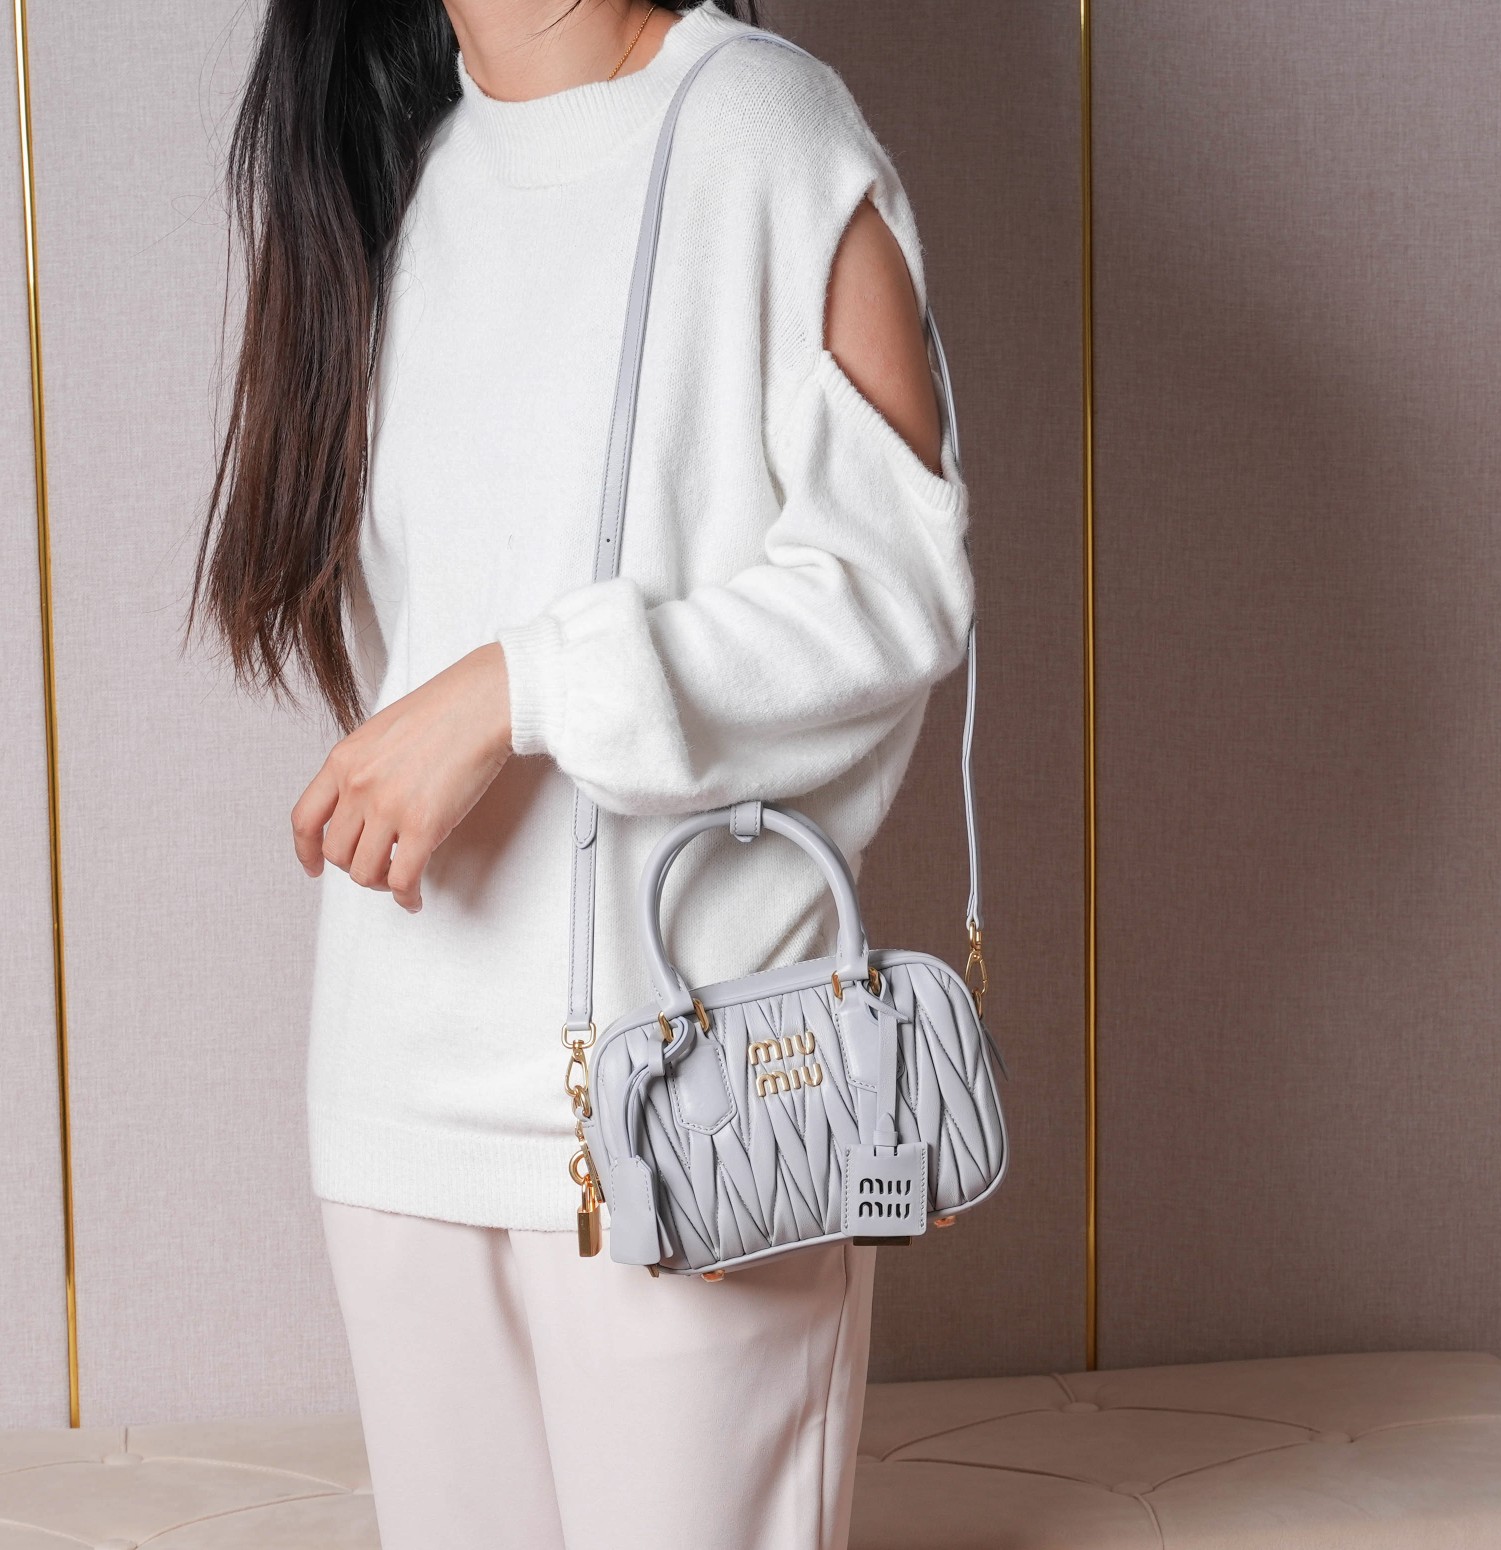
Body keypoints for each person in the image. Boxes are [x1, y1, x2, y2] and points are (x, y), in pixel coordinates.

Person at [191, 1, 973, 1546]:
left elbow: (893, 594)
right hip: (399, 1101)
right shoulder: (394, 177)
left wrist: (522, 684)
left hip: (698, 1102)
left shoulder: (761, 127)